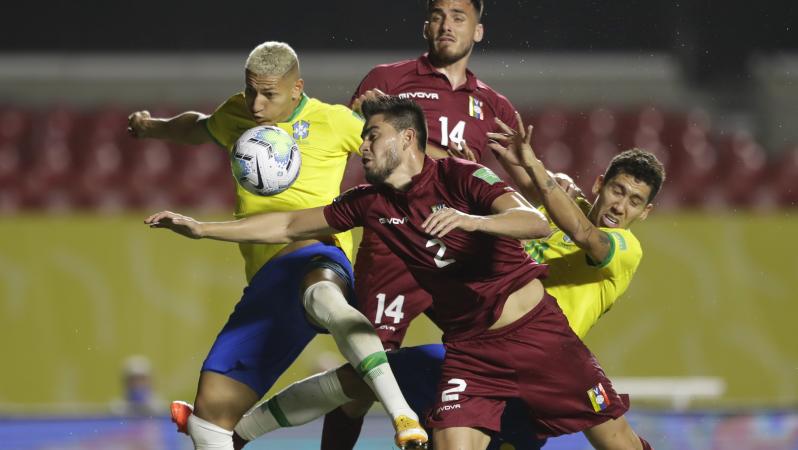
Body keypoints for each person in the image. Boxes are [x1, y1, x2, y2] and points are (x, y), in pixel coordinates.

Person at [147, 97, 652, 450]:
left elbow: (532, 220)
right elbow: (287, 223)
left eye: (372, 136)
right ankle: (233, 438)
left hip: (540, 340)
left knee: (617, 443)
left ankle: (236, 436)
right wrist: (201, 228)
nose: (362, 147)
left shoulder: (460, 176)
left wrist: (472, 221)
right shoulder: (368, 203)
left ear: (407, 139)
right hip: (472, 354)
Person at [128, 42, 426, 450]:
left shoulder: (336, 121)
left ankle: (402, 415)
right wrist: (151, 128)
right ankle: (235, 434)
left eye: (269, 94)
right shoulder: (236, 114)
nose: (256, 104)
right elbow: (197, 127)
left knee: (324, 294)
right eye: (251, 91)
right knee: (210, 418)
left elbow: (401, 149)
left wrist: (453, 165)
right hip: (266, 280)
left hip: (317, 252)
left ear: (297, 88)